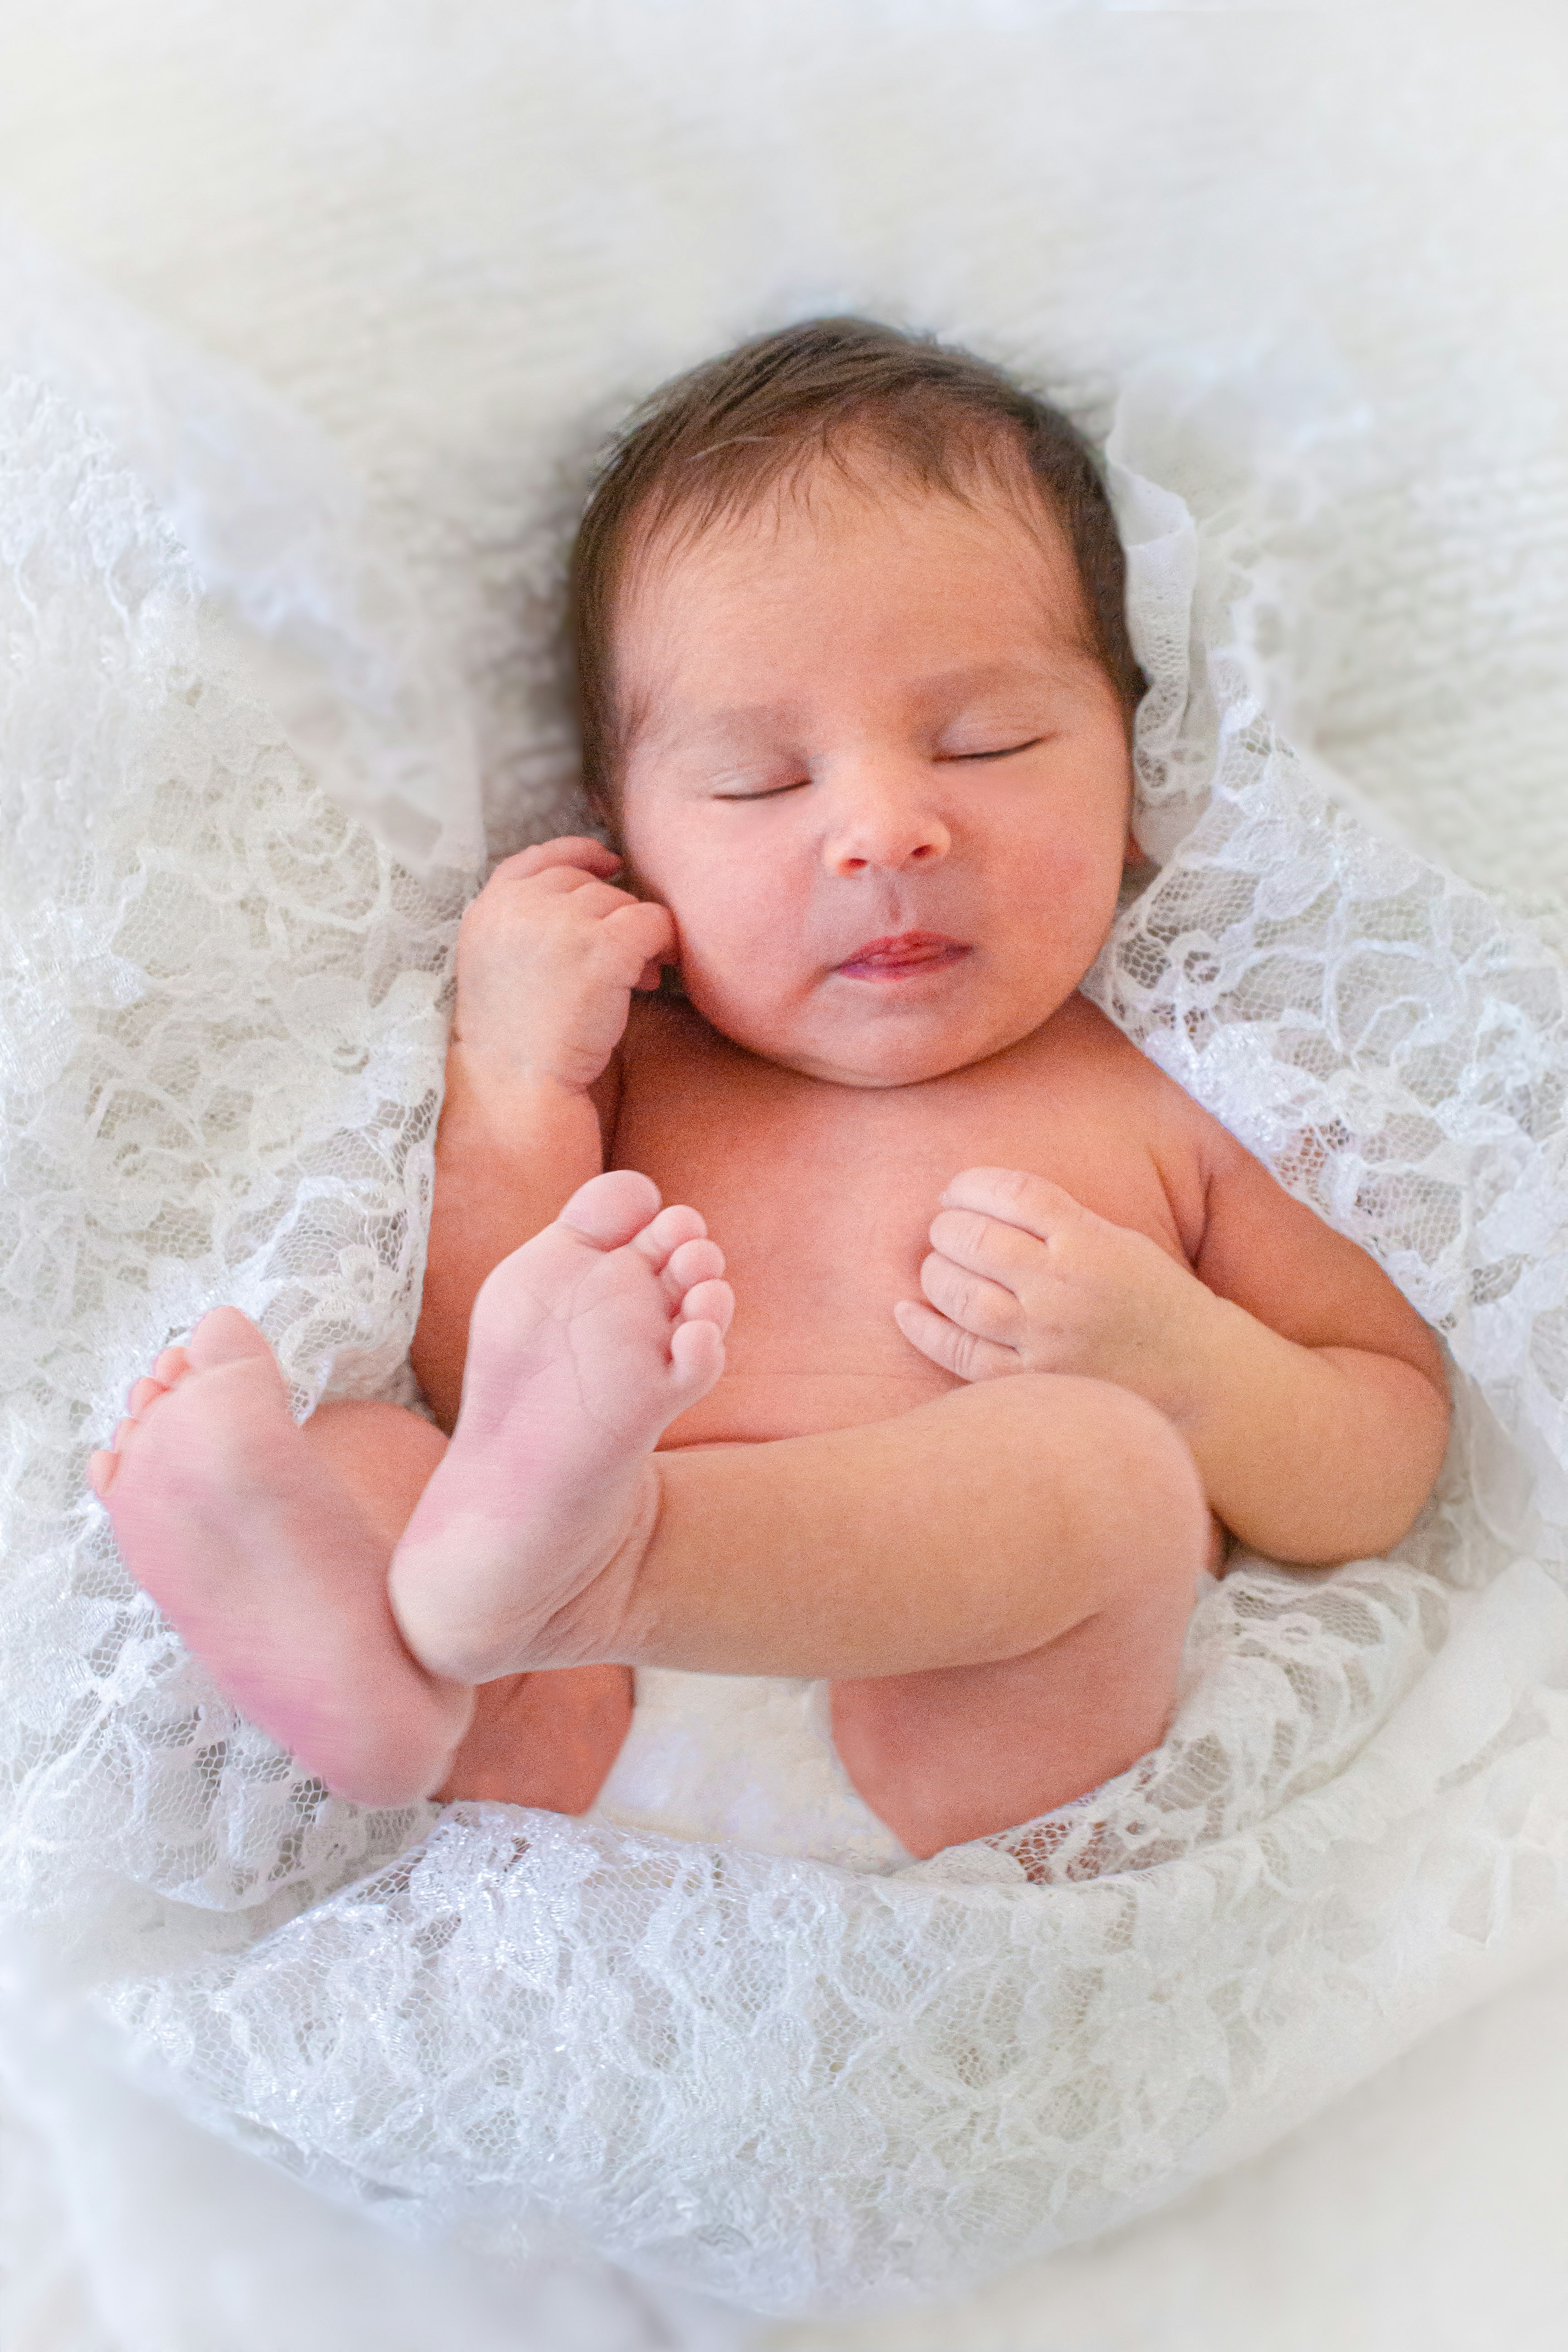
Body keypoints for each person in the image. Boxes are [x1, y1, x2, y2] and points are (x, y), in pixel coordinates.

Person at [89, 320, 1451, 1860]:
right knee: (361, 1453)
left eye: (986, 744)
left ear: (1137, 768)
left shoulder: (1169, 1090)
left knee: (1106, 1473)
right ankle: (400, 1700)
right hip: (584, 1707)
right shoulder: (643, 1064)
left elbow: (1389, 1449)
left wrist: (1182, 1362)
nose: (882, 830)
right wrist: (516, 1073)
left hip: (950, 1739)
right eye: (760, 780)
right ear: (631, 838)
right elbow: (481, 1377)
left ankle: (589, 1578)